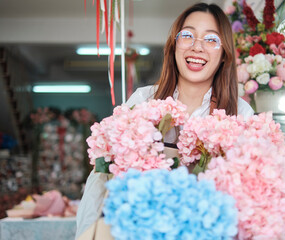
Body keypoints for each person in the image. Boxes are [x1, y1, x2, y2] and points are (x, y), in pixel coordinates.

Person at [75, 2, 254, 238]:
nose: (197, 47)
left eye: (211, 39)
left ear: (223, 54)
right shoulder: (143, 100)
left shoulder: (240, 114)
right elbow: (101, 179)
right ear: (174, 45)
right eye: (188, 35)